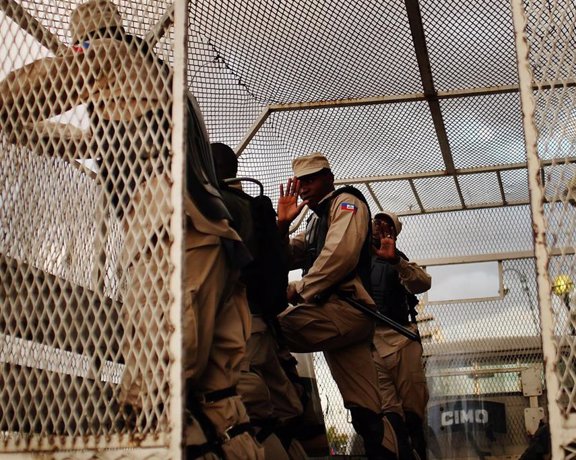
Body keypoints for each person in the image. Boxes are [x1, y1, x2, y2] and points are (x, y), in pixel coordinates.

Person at [0, 2, 261, 457]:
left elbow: (36, 89)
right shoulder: (156, 81)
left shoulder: (107, 53)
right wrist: (21, 132)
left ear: (89, 37)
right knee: (216, 399)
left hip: (167, 229)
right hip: (206, 235)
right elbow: (86, 144)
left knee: (158, 382)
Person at [276, 152, 403, 459]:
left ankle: (289, 411)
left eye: (312, 179)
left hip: (344, 311)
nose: (304, 187)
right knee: (366, 412)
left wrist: (298, 289)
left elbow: (339, 255)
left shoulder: (347, 204)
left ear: (329, 178)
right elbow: (288, 255)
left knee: (268, 330)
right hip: (338, 318)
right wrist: (280, 227)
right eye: (300, 181)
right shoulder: (317, 220)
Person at [211, 142, 306, 459]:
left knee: (252, 409)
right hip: (263, 324)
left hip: (238, 327)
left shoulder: (214, 208)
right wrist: (280, 227)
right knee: (285, 405)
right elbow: (272, 263)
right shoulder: (254, 207)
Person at [370, 211, 432, 459]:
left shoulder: (399, 261)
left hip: (402, 338)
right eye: (377, 222)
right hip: (372, 344)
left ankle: (417, 450)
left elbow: (422, 283)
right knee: (388, 413)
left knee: (413, 411)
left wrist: (395, 260)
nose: (380, 227)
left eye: (387, 226)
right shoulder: (356, 258)